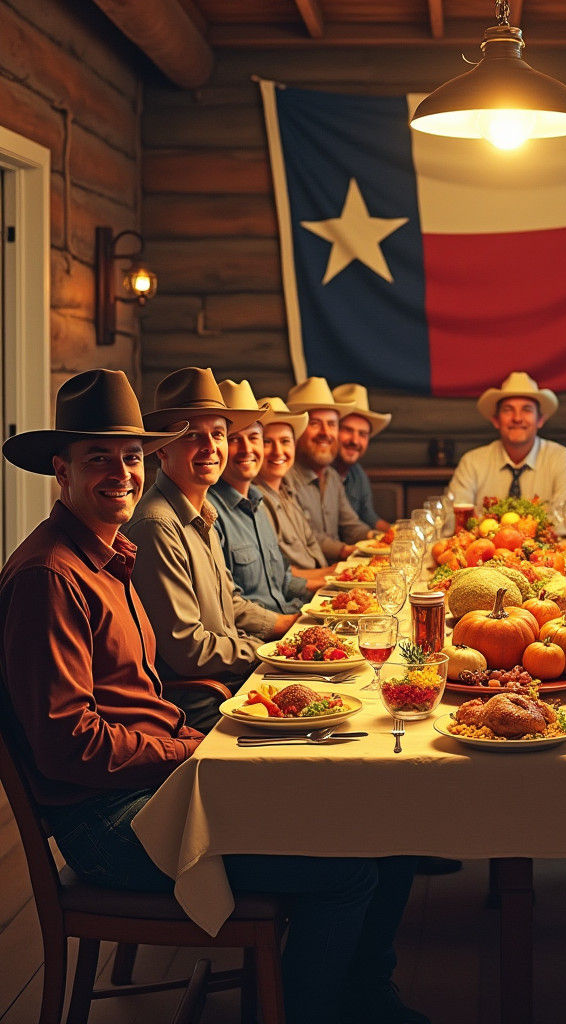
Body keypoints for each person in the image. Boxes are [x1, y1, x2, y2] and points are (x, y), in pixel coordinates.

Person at [0, 369, 428, 1024]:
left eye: (131, 457)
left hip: (161, 784)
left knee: (377, 812)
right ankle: (312, 1006)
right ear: (60, 469)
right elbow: (68, 746)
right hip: (114, 823)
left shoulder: (107, 553)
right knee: (351, 871)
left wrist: (197, 752)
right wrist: (189, 751)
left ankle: (350, 991)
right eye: (98, 459)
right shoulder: (49, 576)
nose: (122, 473)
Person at [124, 368, 296, 732]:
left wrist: (285, 630)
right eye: (192, 435)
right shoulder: (157, 524)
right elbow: (189, 651)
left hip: (237, 686)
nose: (210, 447)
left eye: (218, 434)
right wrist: (271, 652)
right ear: (163, 448)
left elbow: (230, 602)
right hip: (203, 708)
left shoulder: (202, 512)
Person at [208, 379, 316, 615]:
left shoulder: (257, 503)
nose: (247, 449)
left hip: (289, 616)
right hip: (260, 641)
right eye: (235, 439)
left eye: (254, 437)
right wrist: (289, 626)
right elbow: (228, 605)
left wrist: (335, 589)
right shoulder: (210, 512)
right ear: (219, 446)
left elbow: (284, 581)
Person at [447, 371, 566, 508]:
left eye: (527, 409)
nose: (517, 418)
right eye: (508, 410)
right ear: (496, 420)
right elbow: (455, 518)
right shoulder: (472, 463)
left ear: (540, 420)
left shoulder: (562, 459)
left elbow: (565, 521)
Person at [254, 395, 334, 586]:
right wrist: (333, 578)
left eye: (285, 441)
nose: (278, 452)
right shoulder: (255, 500)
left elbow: (313, 549)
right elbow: (281, 576)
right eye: (267, 442)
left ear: (295, 445)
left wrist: (337, 573)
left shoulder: (288, 492)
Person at [286, 377, 369, 559]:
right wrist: (346, 551)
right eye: (314, 423)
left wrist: (380, 538)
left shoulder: (331, 475)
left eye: (331, 424)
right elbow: (306, 534)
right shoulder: (284, 478)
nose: (325, 432)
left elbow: (351, 526)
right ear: (296, 431)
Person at [332, 382, 392, 533]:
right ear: (333, 430)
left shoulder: (357, 473)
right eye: (347, 430)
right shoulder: (320, 472)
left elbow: (369, 516)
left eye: (362, 434)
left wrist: (398, 533)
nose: (355, 441)